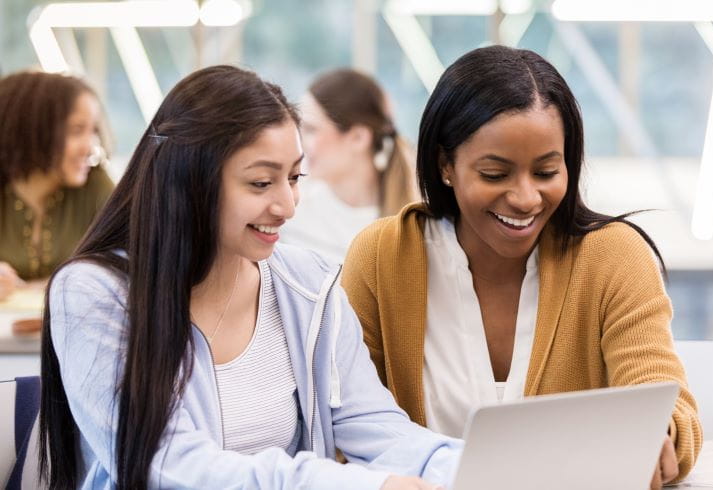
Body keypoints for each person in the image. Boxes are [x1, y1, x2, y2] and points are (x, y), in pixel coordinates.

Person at [38, 65, 460, 490]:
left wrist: (465, 465)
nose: (288, 205)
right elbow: (163, 464)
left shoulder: (309, 286)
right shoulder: (94, 293)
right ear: (190, 180)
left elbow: (377, 428)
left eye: (294, 178)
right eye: (261, 183)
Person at [342, 46, 701, 488]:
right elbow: (344, 429)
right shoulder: (382, 257)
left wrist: (661, 435)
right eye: (495, 174)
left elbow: (669, 402)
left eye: (547, 171)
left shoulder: (612, 257)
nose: (526, 198)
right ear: (445, 165)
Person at [280, 68, 418, 262]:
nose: (300, 143)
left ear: (358, 138)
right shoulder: (291, 210)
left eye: (311, 129)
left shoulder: (413, 227)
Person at [0, 71, 114, 300]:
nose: (90, 147)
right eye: (76, 131)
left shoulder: (97, 186)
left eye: (93, 131)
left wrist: (26, 288)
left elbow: (123, 269)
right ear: (32, 129)